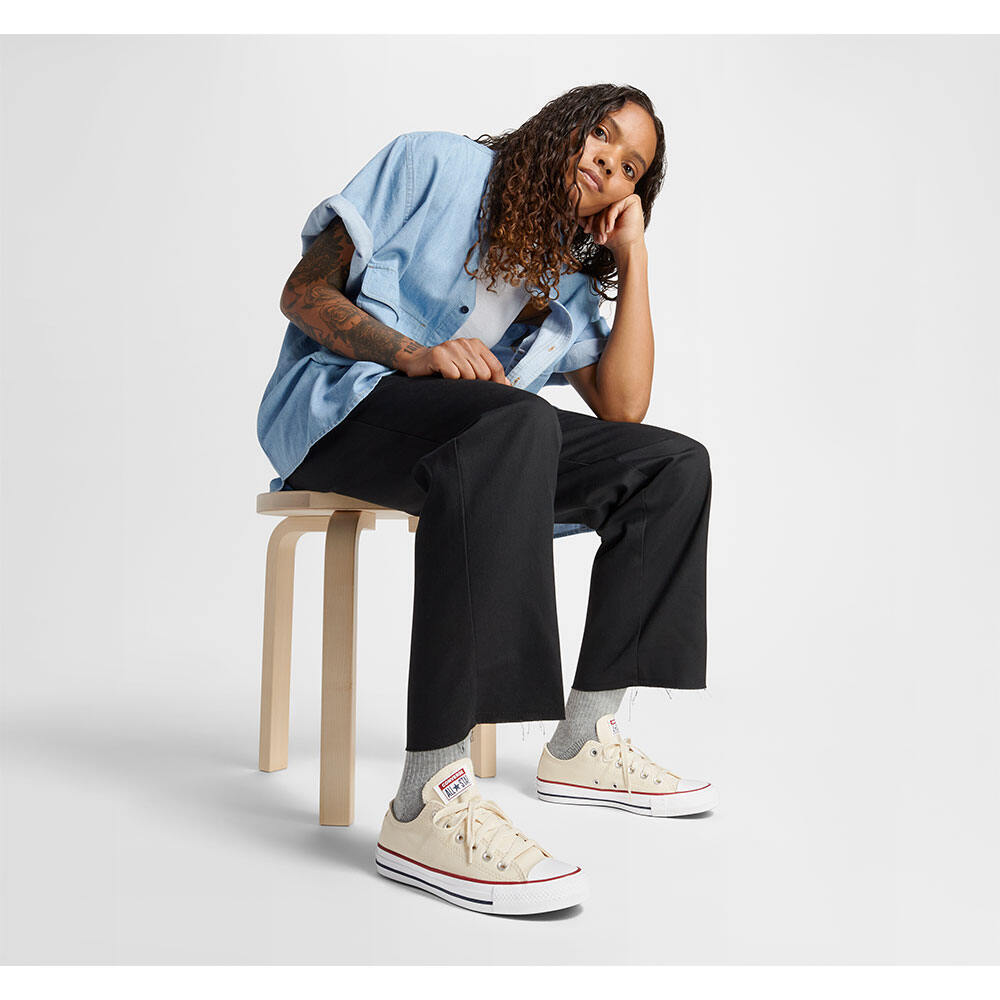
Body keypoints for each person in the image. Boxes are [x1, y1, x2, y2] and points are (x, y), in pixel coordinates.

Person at [256, 83, 716, 916]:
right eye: (601, 135)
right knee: (517, 419)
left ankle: (585, 738)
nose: (607, 164)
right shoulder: (431, 163)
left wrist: (634, 256)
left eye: (630, 169)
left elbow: (624, 406)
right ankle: (425, 801)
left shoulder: (567, 275)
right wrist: (411, 354)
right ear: (562, 125)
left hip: (490, 443)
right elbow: (304, 293)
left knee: (669, 465)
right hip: (346, 410)